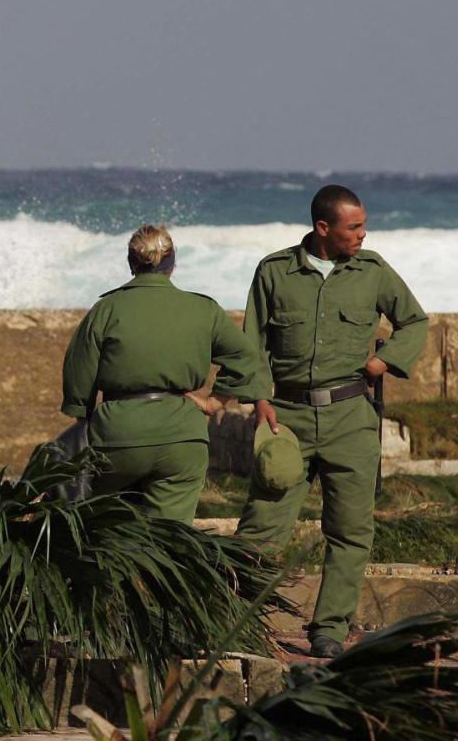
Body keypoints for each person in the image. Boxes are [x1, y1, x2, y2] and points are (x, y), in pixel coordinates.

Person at [236, 184, 428, 659]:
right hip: (288, 418)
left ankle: (329, 629)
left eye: (363, 225)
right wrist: (260, 398)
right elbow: (252, 343)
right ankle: (232, 621)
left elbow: (415, 322)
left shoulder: (372, 271)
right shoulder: (274, 272)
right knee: (262, 526)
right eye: (354, 227)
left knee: (349, 531)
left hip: (351, 418)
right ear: (324, 228)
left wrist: (386, 363)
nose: (363, 234)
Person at [61, 225, 268, 523]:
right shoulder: (202, 309)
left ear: (132, 264)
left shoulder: (106, 309)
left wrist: (84, 412)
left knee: (107, 530)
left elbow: (78, 377)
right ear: (172, 263)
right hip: (182, 437)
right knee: (171, 538)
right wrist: (215, 401)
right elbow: (246, 356)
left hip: (117, 437)